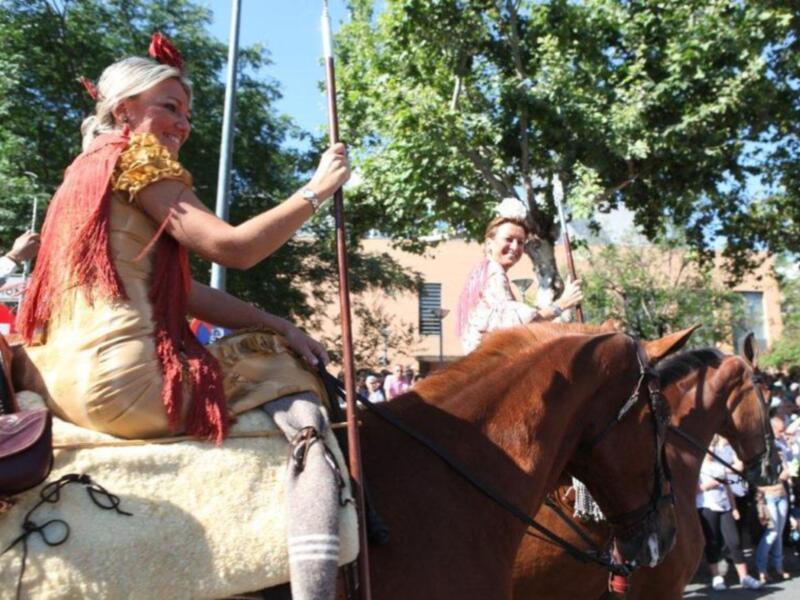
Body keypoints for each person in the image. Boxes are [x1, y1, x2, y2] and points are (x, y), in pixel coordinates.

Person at [17, 34, 348, 600]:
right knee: (290, 370)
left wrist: (274, 319)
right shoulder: (136, 155)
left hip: (53, 385)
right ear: (125, 111)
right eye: (168, 107)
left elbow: (182, 290)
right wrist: (316, 191)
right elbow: (235, 248)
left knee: (273, 339)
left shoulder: (81, 172)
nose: (183, 125)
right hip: (126, 386)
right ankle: (317, 567)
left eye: (187, 113)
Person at [456, 197, 583, 353]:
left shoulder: (482, 271)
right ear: (490, 243)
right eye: (508, 239)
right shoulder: (493, 273)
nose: (515, 247)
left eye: (521, 242)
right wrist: (563, 303)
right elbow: (520, 327)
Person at [698, 436, 762, 590]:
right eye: (708, 448)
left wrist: (733, 508)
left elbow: (728, 488)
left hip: (725, 507)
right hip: (707, 506)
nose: (711, 451)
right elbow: (692, 490)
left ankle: (744, 576)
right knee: (712, 542)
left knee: (734, 541)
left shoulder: (720, 466)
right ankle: (716, 577)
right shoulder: (698, 468)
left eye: (712, 447)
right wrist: (707, 486)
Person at [756, 415, 794, 583]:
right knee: (771, 533)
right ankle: (761, 568)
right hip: (770, 497)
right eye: (779, 431)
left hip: (782, 496)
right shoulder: (762, 452)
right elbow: (756, 481)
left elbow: (788, 466)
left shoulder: (781, 448)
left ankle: (778, 567)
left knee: (778, 534)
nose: (782, 433)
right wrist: (779, 479)